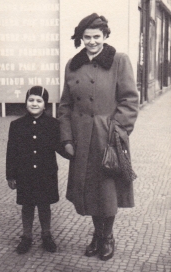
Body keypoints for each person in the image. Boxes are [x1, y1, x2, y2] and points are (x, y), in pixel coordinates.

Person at [58, 13, 139, 261]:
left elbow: (129, 100)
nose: (92, 41)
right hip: (82, 139)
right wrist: (67, 139)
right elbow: (65, 106)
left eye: (96, 37)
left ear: (105, 36)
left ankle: (108, 236)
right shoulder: (72, 64)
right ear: (81, 38)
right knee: (89, 190)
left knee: (107, 191)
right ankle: (97, 233)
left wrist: (117, 130)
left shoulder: (119, 61)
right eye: (87, 37)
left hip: (108, 137)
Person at [6, 86, 69, 254]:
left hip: (46, 174)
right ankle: (26, 237)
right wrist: (10, 175)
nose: (34, 104)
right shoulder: (16, 125)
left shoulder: (53, 124)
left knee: (44, 205)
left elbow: (60, 147)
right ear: (26, 101)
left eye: (39, 101)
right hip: (24, 174)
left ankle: (46, 235)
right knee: (27, 205)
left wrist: (73, 152)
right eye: (31, 100)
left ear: (45, 104)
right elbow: (11, 151)